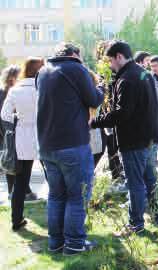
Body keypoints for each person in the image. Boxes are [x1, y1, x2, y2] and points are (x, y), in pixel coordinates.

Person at [90, 40, 158, 237]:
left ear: (119, 57)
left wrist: (94, 122)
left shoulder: (127, 79)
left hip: (135, 139)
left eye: (111, 61)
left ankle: (135, 224)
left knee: (135, 183)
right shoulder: (143, 73)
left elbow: (122, 113)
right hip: (150, 136)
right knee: (150, 179)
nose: (111, 66)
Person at [37, 43, 104, 255]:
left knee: (56, 196)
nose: (82, 60)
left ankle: (55, 243)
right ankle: (74, 244)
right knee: (77, 196)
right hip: (73, 144)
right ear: (74, 55)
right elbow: (93, 99)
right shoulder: (76, 68)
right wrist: (101, 88)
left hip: (47, 145)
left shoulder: (43, 71)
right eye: (80, 56)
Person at [1, 57, 44, 231]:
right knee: (54, 177)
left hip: (23, 138)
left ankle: (16, 220)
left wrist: (18, 119)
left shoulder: (15, 90)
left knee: (20, 182)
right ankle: (61, 217)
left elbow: (4, 115)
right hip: (44, 136)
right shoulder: (43, 88)